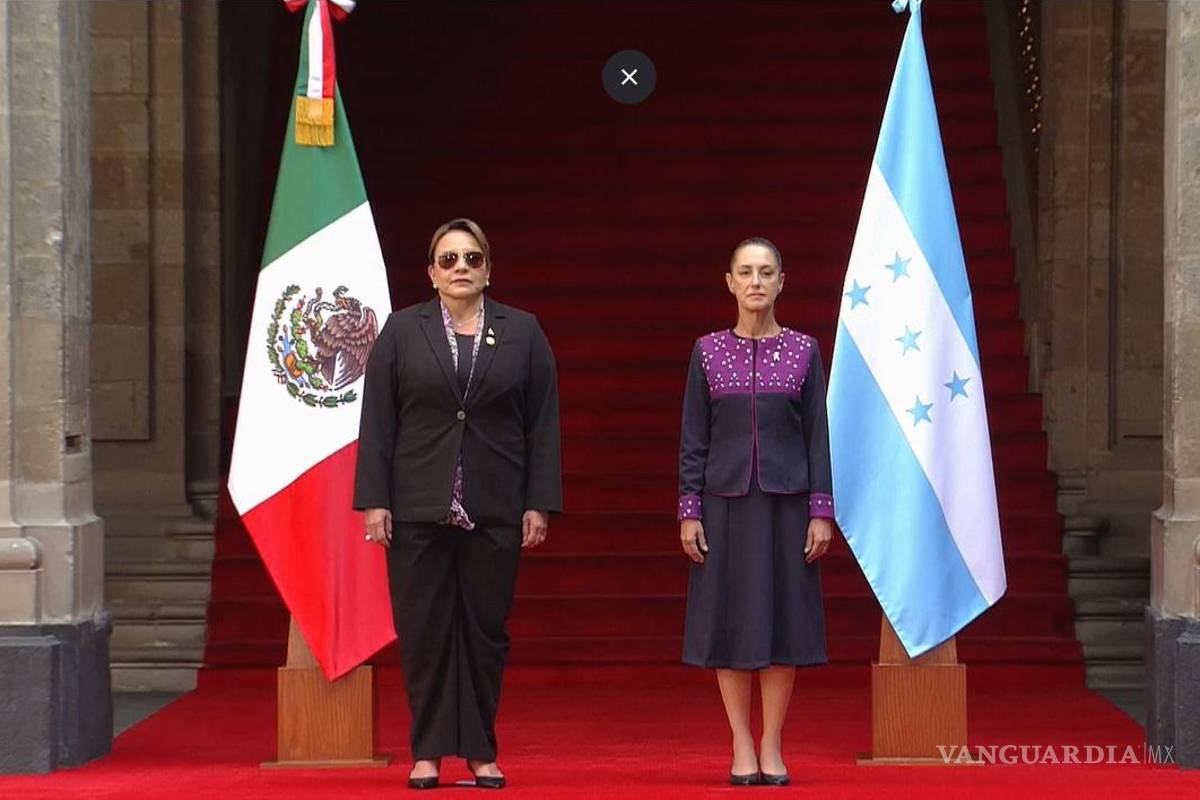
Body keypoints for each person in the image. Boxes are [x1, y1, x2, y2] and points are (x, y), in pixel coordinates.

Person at [354, 218, 562, 790]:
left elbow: (542, 423)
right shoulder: (400, 332)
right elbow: (378, 423)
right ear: (431, 273)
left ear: (488, 270)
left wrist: (538, 502)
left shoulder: (523, 332)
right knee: (423, 631)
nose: (461, 268)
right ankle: (427, 751)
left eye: (472, 259)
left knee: (484, 632)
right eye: (448, 260)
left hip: (495, 504)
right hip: (418, 505)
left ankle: (480, 751)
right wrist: (375, 501)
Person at [677, 237, 834, 787]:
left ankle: (772, 743)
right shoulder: (707, 352)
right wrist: (688, 510)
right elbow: (693, 438)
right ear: (729, 282)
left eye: (766, 272)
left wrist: (821, 511)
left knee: (782, 623)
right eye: (745, 272)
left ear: (782, 281)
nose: (756, 282)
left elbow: (819, 435)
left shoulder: (805, 352)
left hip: (787, 509)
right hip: (722, 508)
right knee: (730, 624)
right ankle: (741, 742)